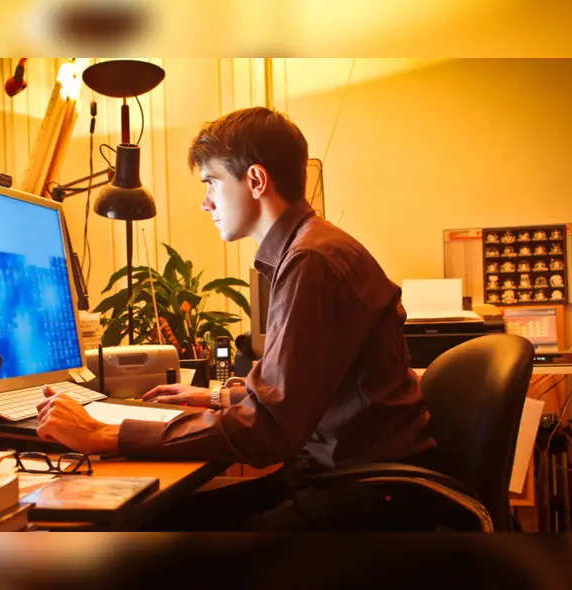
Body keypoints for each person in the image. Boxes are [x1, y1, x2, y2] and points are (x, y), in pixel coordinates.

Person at [36, 106, 437, 531]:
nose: (205, 202)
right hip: (345, 480)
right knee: (168, 517)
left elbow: (270, 429)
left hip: (366, 502)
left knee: (149, 540)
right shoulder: (309, 248)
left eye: (212, 182)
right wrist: (214, 398)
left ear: (257, 181)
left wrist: (106, 434)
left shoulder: (311, 261)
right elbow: (297, 392)